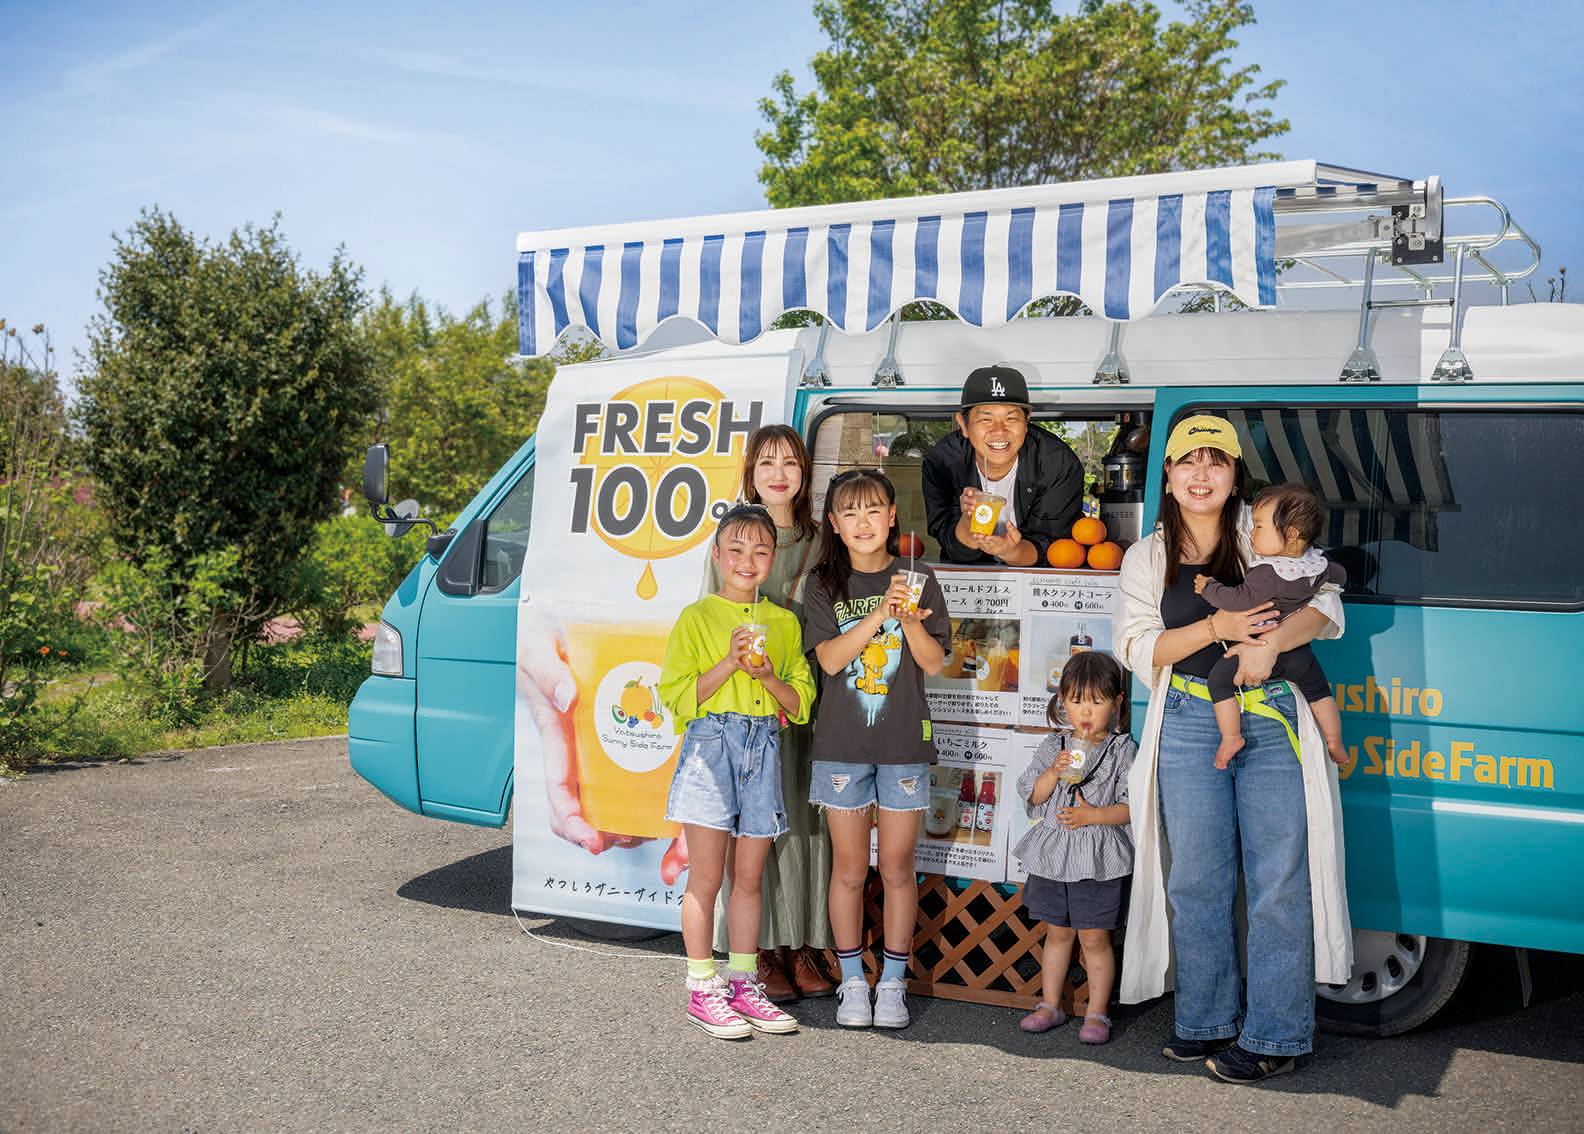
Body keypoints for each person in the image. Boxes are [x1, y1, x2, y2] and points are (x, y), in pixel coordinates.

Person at [1115, 414, 1353, 1085]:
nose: (1201, 474)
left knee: (1278, 878)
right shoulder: (1147, 555)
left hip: (1272, 714)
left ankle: (1277, 1034)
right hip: (1189, 716)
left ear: (1234, 476)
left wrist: (1271, 643)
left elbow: (1328, 605)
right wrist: (1217, 625)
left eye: (1215, 462)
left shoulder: (1267, 530)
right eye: (1188, 461)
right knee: (1196, 878)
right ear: (1167, 474)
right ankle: (1206, 1019)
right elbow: (1137, 648)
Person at [658, 504, 818, 1039]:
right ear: (717, 555)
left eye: (760, 551)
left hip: (763, 749)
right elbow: (678, 698)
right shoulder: (696, 618)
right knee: (705, 879)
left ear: (773, 559)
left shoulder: (784, 622)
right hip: (710, 749)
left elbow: (800, 704)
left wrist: (769, 676)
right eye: (736, 549)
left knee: (749, 878)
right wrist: (728, 662)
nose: (748, 560)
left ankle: (744, 983)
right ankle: (702, 988)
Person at [804, 469, 949, 1030]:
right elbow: (831, 660)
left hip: (903, 745)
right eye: (850, 513)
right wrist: (881, 614)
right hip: (841, 745)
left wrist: (908, 621)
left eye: (873, 511)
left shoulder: (919, 577)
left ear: (891, 517)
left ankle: (892, 983)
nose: (862, 522)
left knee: (896, 866)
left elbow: (933, 662)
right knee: (848, 868)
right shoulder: (824, 583)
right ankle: (850, 983)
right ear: (834, 524)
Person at [703, 424, 835, 1002]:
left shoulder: (823, 540)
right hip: (746, 706)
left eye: (790, 463)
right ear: (750, 473)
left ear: (805, 473)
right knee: (755, 826)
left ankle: (803, 945)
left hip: (807, 698)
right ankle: (757, 950)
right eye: (766, 463)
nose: (779, 474)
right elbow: (709, 619)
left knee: (807, 821)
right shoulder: (733, 536)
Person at [1013, 651, 1135, 1045]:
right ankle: (1051, 1004)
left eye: (1097, 702)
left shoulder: (1121, 750)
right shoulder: (1054, 745)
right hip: (1053, 855)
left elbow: (1133, 808)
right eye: (1077, 700)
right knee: (1057, 932)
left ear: (1116, 703)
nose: (1085, 711)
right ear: (1062, 700)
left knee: (1095, 938)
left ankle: (1097, 1011)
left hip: (1098, 859)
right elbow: (1032, 793)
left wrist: (1093, 816)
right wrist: (1054, 771)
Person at [1195, 483, 1350, 770]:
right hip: (1298, 652)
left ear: (1290, 533)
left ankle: (1231, 737)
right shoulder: (1317, 565)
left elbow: (1238, 600)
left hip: (1256, 646)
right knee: (1318, 690)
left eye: (1259, 526)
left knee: (1218, 682)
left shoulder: (1268, 572)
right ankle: (1333, 739)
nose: (1252, 532)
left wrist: (1209, 587)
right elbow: (1340, 576)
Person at [921, 364, 1084, 567]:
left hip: (1035, 578)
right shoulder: (943, 462)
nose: (999, 431)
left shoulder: (1057, 463)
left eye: (1011, 418)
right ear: (963, 424)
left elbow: (1053, 547)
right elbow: (954, 549)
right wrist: (968, 519)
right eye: (986, 419)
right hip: (967, 579)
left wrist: (1013, 551)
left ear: (1027, 420)